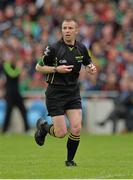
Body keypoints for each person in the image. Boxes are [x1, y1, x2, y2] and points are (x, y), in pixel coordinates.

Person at [34, 18, 97, 166]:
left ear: (76, 31)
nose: (67, 31)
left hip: (73, 93)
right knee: (61, 132)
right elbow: (38, 67)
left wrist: (91, 68)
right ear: (61, 30)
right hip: (55, 93)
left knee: (76, 128)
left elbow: (88, 63)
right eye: (64, 28)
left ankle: (69, 161)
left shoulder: (81, 48)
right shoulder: (53, 48)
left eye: (70, 28)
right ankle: (43, 127)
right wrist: (56, 69)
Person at [1, 47, 30, 133]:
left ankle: (27, 129)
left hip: (16, 92)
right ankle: (5, 130)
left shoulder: (14, 65)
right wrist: (19, 68)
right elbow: (12, 74)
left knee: (23, 110)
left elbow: (19, 77)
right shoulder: (6, 65)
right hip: (9, 92)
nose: (10, 57)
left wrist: (20, 71)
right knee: (8, 112)